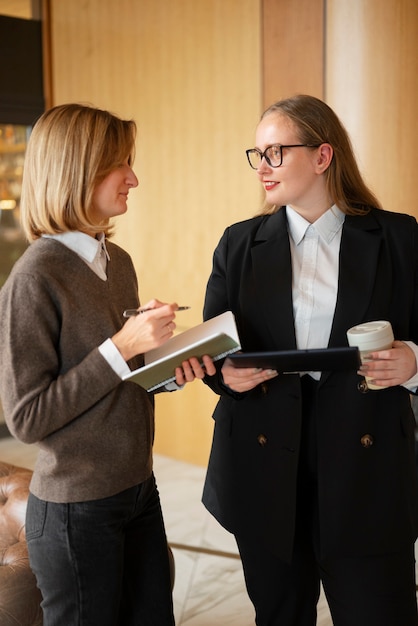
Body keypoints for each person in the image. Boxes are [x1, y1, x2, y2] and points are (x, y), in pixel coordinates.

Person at [201, 94, 418, 625]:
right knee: (279, 615)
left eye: (276, 152)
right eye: (257, 155)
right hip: (264, 462)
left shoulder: (400, 237)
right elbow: (214, 350)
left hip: (368, 469)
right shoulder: (239, 243)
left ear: (323, 156)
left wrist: (413, 361)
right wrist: (227, 375)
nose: (263, 169)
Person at [0, 103, 215, 626]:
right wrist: (120, 346)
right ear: (80, 170)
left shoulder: (116, 263)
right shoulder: (34, 277)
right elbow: (26, 418)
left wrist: (165, 370)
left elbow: (119, 382)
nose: (133, 179)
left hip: (138, 487)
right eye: (121, 164)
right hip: (76, 509)